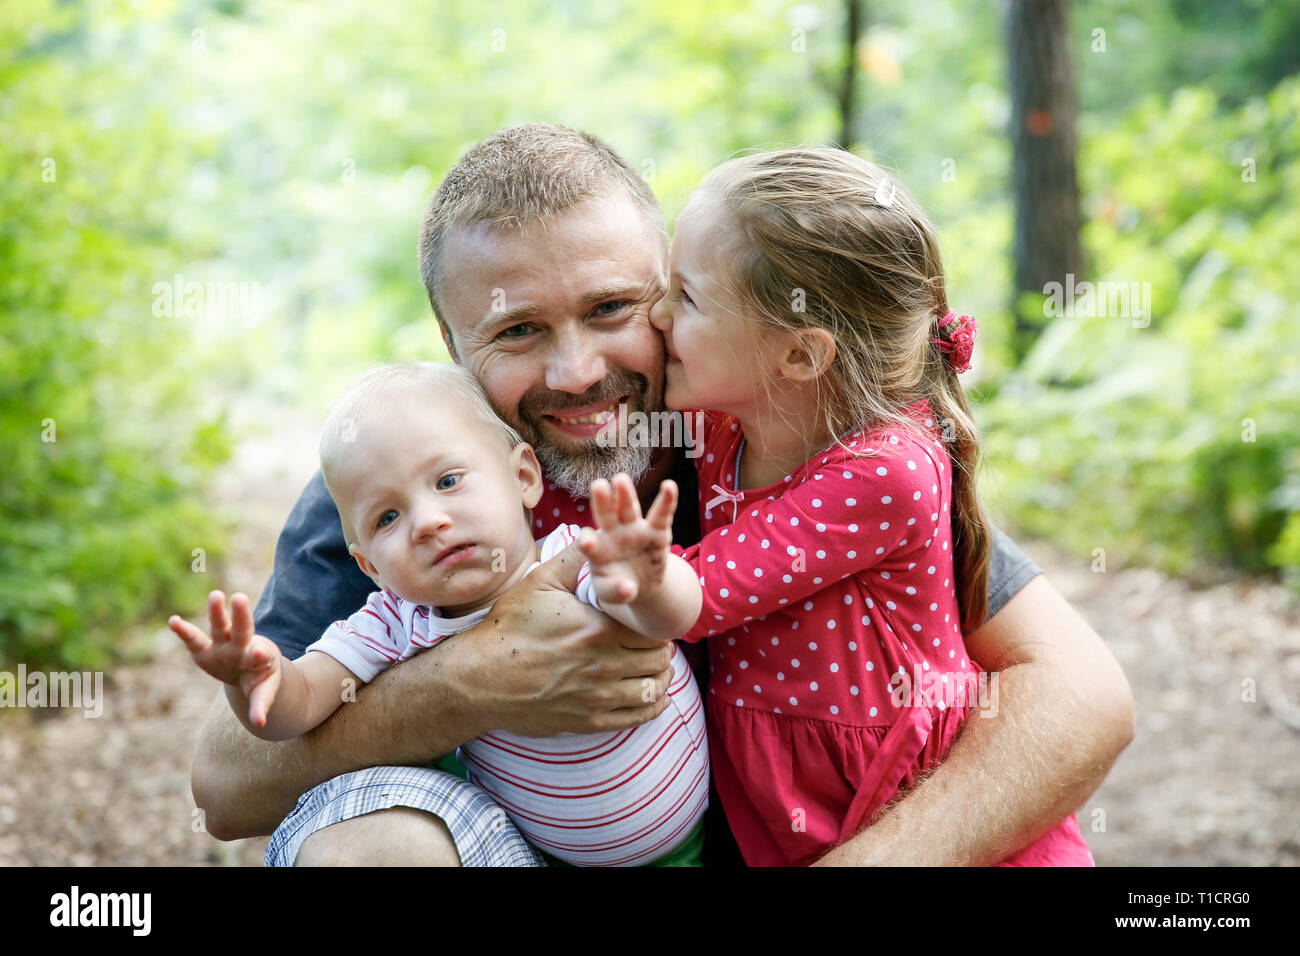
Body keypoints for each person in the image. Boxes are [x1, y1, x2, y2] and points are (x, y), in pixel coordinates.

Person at [190, 123, 1135, 866]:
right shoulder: (401, 489)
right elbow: (227, 786)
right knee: (366, 846)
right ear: (454, 350)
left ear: (676, 297)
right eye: (518, 331)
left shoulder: (768, 433)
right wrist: (466, 682)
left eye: (612, 309)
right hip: (508, 840)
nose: (577, 372)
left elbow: (1083, 694)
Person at [646, 146, 1094, 865]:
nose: (656, 314)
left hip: (912, 811)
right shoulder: (728, 421)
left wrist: (602, 568)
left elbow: (697, 595)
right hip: (805, 804)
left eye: (687, 297)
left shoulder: (888, 469)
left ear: (798, 355)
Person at [170, 363, 708, 865]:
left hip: (685, 851)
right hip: (537, 854)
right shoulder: (396, 622)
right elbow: (301, 705)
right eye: (387, 517)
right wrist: (256, 680)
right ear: (368, 565)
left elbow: (673, 619)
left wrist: (648, 584)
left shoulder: (572, 557)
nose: (427, 522)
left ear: (523, 477)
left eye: (448, 482)